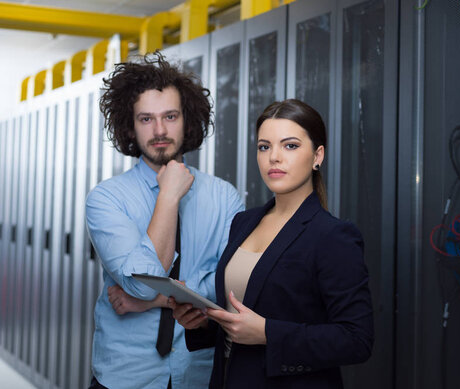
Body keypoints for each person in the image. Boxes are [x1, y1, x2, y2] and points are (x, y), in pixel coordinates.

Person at [170, 99, 374, 388]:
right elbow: (239, 322)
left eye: (289, 146)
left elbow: (357, 339)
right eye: (264, 147)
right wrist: (201, 324)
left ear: (318, 156)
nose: (273, 157)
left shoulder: (333, 236)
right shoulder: (243, 222)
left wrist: (268, 333)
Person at [85, 52, 244, 389]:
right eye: (146, 119)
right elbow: (142, 282)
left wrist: (152, 301)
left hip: (197, 375)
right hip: (126, 376)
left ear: (188, 120)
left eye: (170, 116)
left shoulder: (224, 196)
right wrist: (169, 196)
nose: (159, 130)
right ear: (130, 126)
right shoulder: (106, 198)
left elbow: (230, 287)